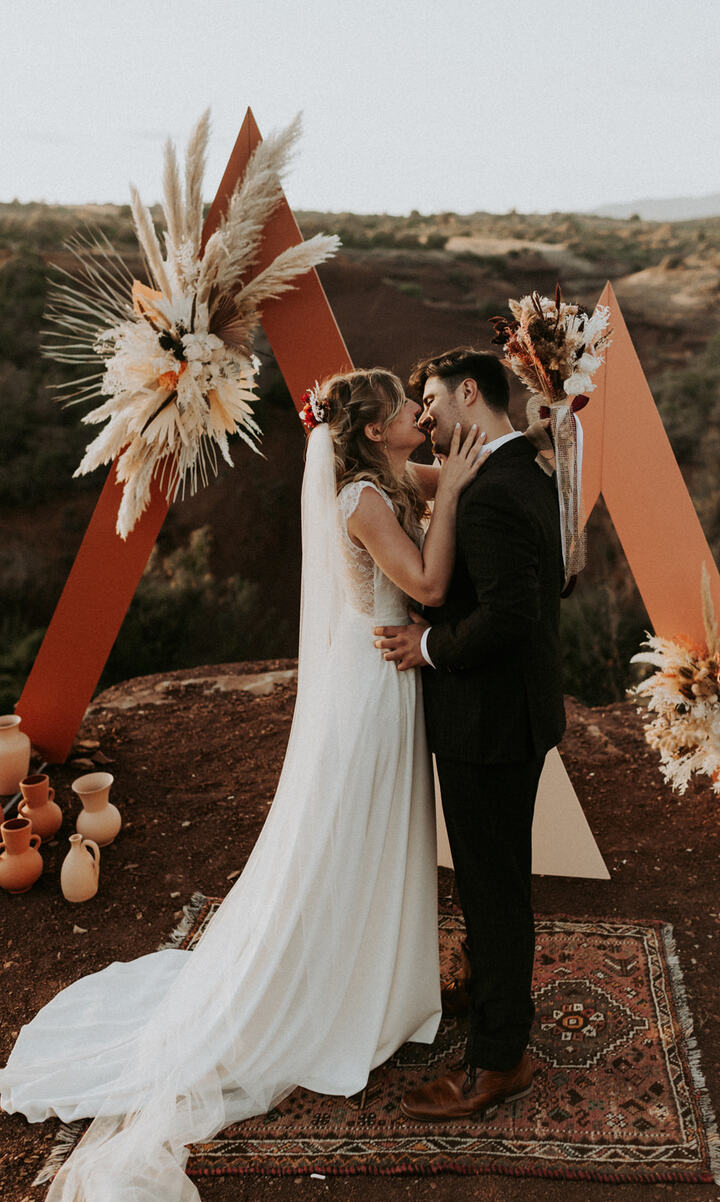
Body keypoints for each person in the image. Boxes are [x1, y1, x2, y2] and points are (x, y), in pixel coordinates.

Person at [0, 368, 487, 1202]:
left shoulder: (393, 477)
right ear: (374, 432)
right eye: (409, 409)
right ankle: (333, 995)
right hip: (375, 695)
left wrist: (497, 453)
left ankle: (373, 980)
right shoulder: (364, 502)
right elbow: (430, 587)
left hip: (393, 686)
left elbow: (463, 471)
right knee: (350, 838)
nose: (420, 413)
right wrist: (458, 490)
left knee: (377, 838)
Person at [373, 348, 565, 1121]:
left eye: (430, 401)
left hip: (488, 722)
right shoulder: (528, 468)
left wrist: (425, 646)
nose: (423, 417)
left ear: (471, 393)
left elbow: (510, 617)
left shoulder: (489, 493)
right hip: (514, 714)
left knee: (492, 888)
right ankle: (490, 990)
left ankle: (498, 1059)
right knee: (494, 879)